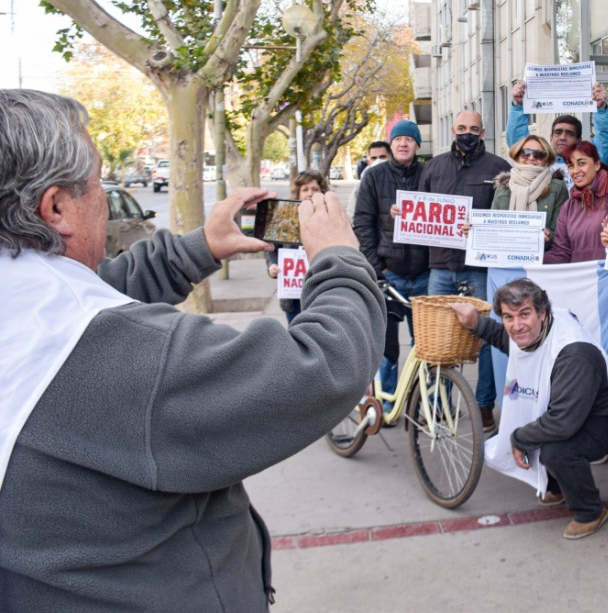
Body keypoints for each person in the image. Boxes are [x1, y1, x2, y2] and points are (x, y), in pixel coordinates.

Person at [0, 89, 386, 610]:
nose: (103, 199)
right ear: (56, 207)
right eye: (97, 185)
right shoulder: (120, 355)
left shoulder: (25, 304)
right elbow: (323, 367)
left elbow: (99, 287)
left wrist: (199, 247)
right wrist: (338, 258)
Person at [449, 279, 608, 539]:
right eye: (508, 317)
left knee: (557, 449)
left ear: (542, 312)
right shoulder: (534, 329)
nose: (517, 325)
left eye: (524, 314)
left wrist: (518, 438)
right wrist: (475, 323)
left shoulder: (573, 353)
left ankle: (591, 511)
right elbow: (506, 339)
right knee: (541, 426)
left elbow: (562, 422)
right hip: (576, 407)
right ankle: (557, 485)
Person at [420, 110, 511, 432]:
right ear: (452, 130)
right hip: (441, 265)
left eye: (473, 129)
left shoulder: (499, 168)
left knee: (485, 339)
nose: (467, 133)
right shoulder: (434, 167)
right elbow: (420, 208)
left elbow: (506, 214)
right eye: (462, 128)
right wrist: (404, 214)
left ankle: (484, 406)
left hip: (479, 267)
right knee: (439, 338)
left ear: (483, 132)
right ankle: (438, 404)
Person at [353, 120, 430, 411]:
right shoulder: (373, 177)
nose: (403, 143)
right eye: (398, 139)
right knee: (388, 348)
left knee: (426, 345)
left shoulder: (429, 173)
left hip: (425, 275)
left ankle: (427, 403)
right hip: (389, 274)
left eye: (409, 139)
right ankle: (386, 404)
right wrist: (377, 268)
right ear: (391, 144)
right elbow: (362, 224)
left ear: (417, 145)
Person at [507, 80, 608, 188]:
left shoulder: (589, 162)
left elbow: (605, 138)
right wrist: (519, 106)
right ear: (551, 138)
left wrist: (601, 108)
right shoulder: (537, 161)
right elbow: (519, 142)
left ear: (579, 140)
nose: (562, 138)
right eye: (558, 133)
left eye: (569, 134)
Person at [543, 140, 608, 264]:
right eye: (571, 166)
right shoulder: (568, 207)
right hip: (581, 281)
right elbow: (561, 253)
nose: (576, 170)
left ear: (596, 165)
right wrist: (532, 259)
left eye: (581, 163)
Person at [265, 170, 330, 324]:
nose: (310, 193)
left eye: (314, 189)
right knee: (296, 332)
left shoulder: (329, 216)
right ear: (298, 193)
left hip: (321, 291)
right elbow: (272, 248)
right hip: (293, 296)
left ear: (322, 192)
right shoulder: (285, 216)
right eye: (305, 189)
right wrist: (272, 266)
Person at [491, 134, 569, 248]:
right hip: (506, 260)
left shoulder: (558, 188)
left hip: (543, 260)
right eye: (525, 153)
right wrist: (474, 230)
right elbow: (491, 228)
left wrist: (547, 236)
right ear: (517, 156)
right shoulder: (503, 188)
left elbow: (561, 233)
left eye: (539, 155)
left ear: (546, 159)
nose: (531, 158)